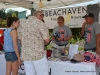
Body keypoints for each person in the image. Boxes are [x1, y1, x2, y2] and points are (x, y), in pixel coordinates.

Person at [17, 11, 50, 75]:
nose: (43, 18)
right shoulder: (40, 23)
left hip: (26, 54)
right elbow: (47, 40)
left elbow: (20, 39)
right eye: (43, 17)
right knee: (42, 73)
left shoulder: (22, 24)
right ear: (40, 16)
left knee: (29, 73)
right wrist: (41, 42)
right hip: (38, 54)